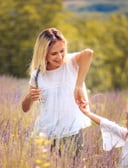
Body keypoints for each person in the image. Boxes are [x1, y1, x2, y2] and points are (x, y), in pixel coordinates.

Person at [21, 27, 93, 159]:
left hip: (71, 131)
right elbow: (25, 108)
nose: (60, 57)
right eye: (54, 54)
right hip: (47, 134)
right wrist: (29, 98)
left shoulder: (70, 62)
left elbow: (88, 53)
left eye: (62, 51)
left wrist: (78, 85)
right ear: (43, 54)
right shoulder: (38, 75)